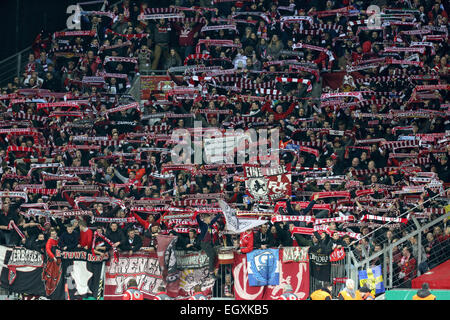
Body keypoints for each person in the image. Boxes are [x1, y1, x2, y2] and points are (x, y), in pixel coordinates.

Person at [196, 212, 222, 278]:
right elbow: (198, 219)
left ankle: (215, 270)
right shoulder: (203, 225)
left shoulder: (209, 225)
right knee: (211, 255)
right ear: (205, 219)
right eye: (209, 218)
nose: (210, 219)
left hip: (209, 243)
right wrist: (197, 214)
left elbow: (214, 220)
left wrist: (219, 215)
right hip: (204, 243)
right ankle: (211, 272)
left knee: (215, 254)